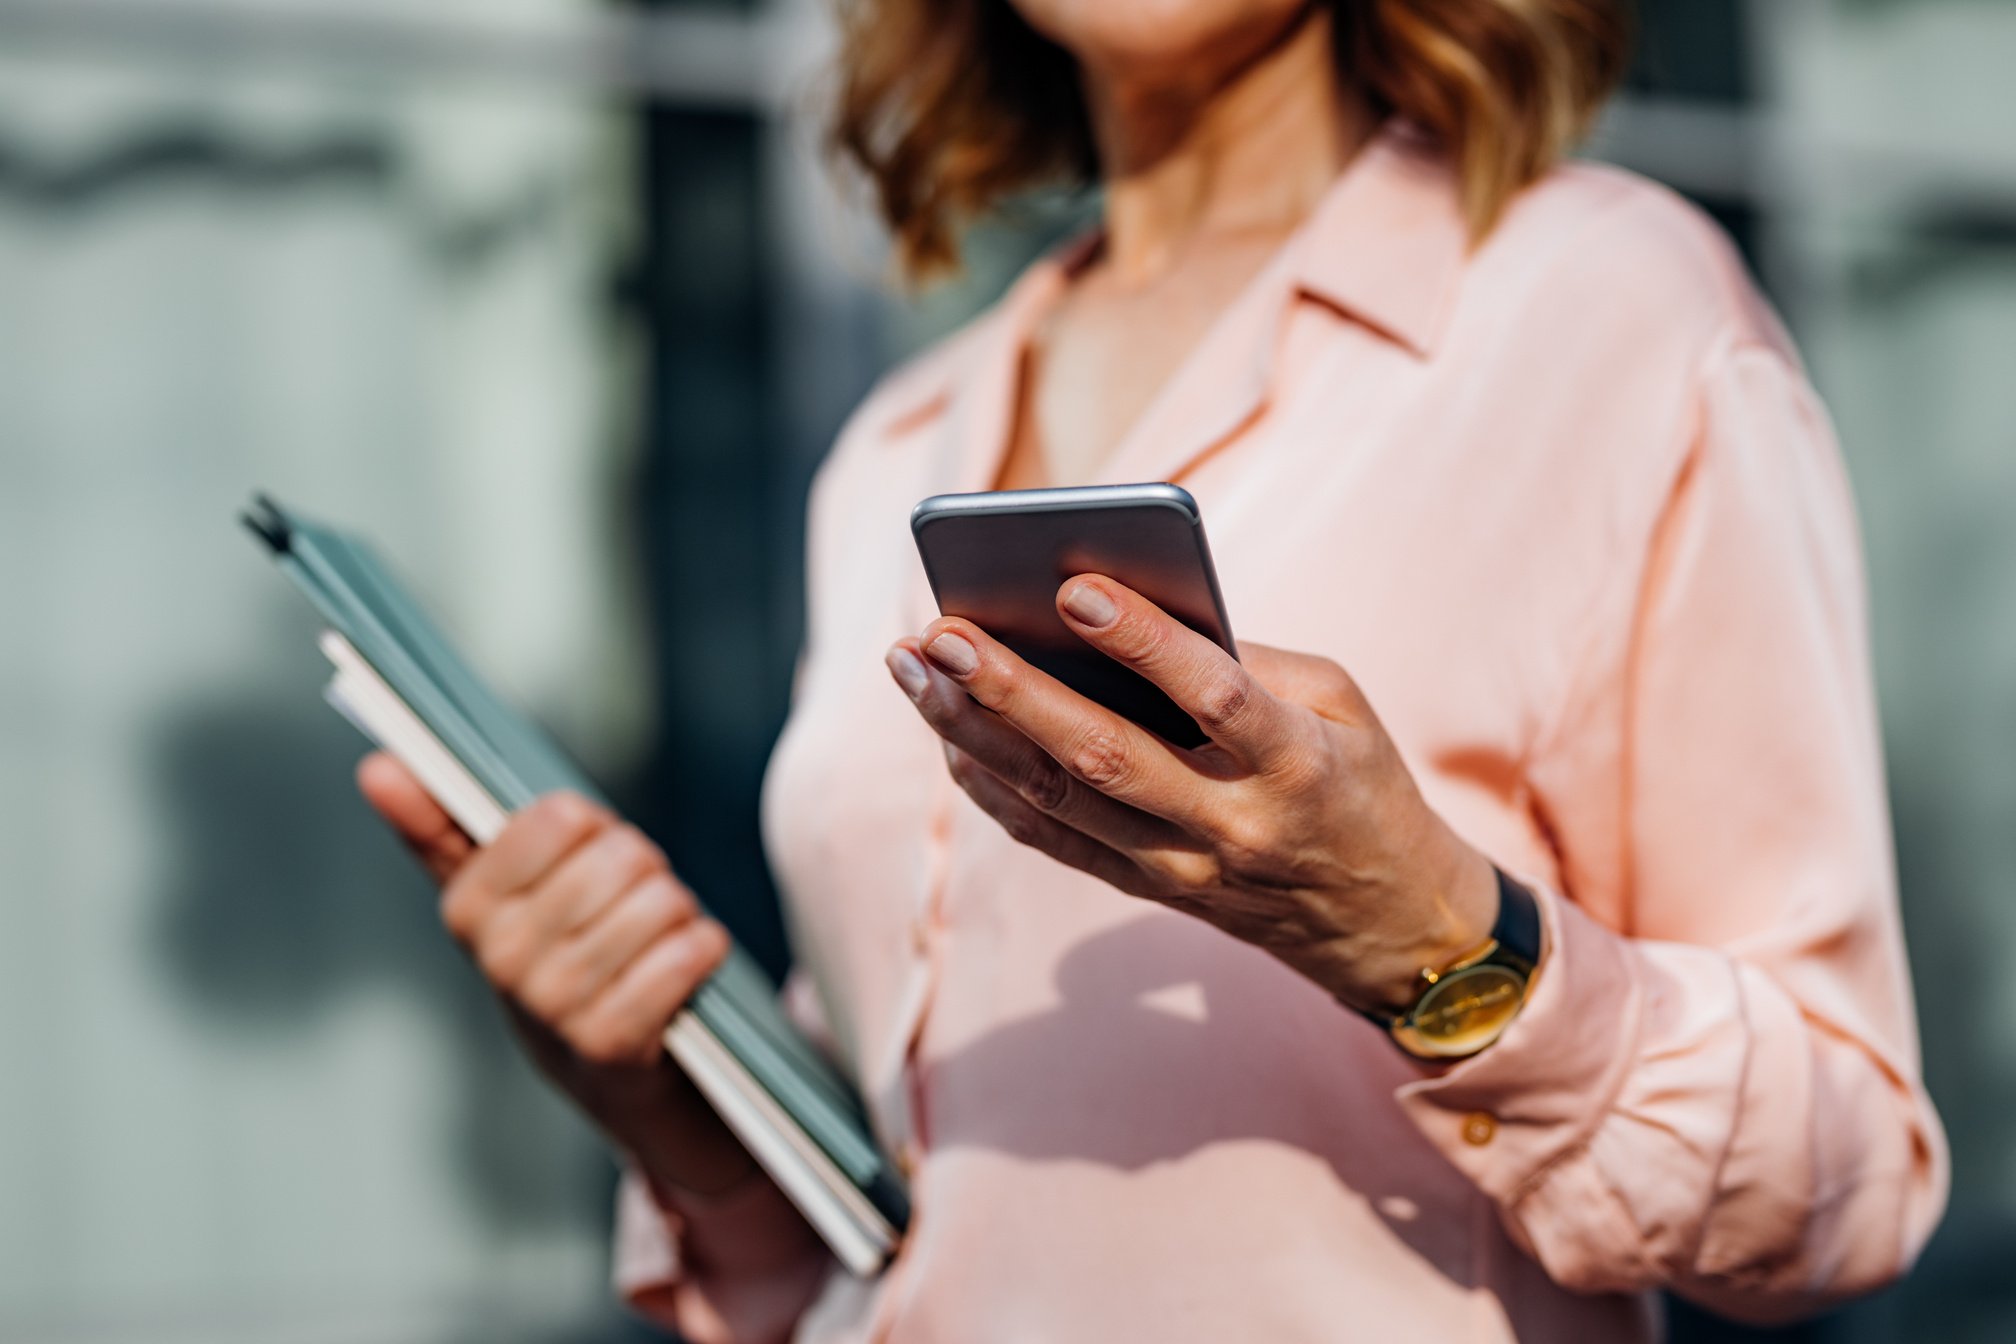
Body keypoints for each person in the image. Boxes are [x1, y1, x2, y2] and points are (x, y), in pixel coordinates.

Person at [360, 0, 1951, 1338]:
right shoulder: (898, 449)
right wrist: (668, 1096)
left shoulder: (1609, 308)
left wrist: (1430, 942)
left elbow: (1849, 1175)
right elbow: (896, 1234)